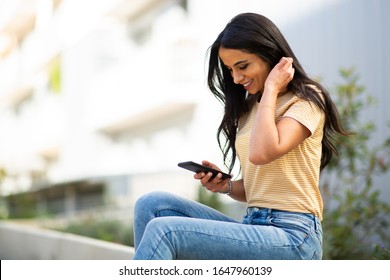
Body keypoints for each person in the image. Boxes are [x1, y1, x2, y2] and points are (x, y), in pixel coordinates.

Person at [132, 12, 348, 260]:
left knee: (166, 231)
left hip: (295, 236)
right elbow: (260, 187)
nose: (236, 78)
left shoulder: (306, 99)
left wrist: (271, 89)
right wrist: (226, 186)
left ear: (270, 54)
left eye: (243, 66)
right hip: (254, 225)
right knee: (151, 205)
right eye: (230, 69)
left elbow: (262, 152)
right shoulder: (250, 108)